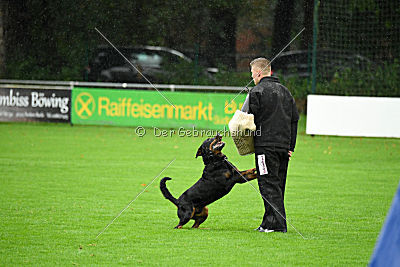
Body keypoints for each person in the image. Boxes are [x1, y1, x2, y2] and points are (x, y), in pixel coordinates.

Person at [247, 57, 299, 233]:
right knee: (278, 185)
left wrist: (246, 142)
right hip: (283, 147)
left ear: (260, 73)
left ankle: (278, 225)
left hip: (264, 146)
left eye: (253, 74)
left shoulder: (256, 91)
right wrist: (291, 146)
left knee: (267, 184)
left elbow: (247, 119)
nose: (252, 77)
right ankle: (268, 222)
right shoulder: (286, 92)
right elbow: (294, 121)